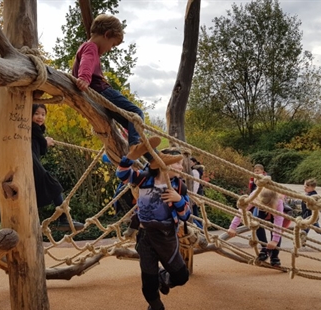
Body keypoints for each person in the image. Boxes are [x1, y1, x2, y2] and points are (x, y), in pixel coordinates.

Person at [72, 13, 182, 169]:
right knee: (136, 114)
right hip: (102, 92)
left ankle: (153, 157)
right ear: (107, 34)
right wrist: (84, 77)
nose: (110, 49)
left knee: (133, 126)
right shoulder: (91, 48)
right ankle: (135, 147)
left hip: (97, 95)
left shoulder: (90, 48)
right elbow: (86, 63)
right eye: (112, 44)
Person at [116, 148, 191, 310]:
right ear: (162, 163)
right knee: (148, 288)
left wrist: (179, 200)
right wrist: (131, 157)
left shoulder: (179, 186)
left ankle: (163, 277)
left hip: (166, 237)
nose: (181, 166)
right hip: (146, 236)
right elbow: (122, 174)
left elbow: (186, 216)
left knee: (181, 276)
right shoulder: (143, 178)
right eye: (177, 162)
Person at [31, 104, 83, 230]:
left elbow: (41, 151)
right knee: (53, 184)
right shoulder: (30, 127)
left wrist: (44, 142)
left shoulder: (37, 130)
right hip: (29, 159)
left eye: (43, 114)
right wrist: (45, 142)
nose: (40, 117)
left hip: (32, 159)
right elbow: (41, 145)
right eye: (36, 113)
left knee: (33, 192)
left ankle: (36, 221)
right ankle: (63, 218)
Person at [228, 189, 284, 267]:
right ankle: (265, 249)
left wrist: (274, 241)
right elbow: (242, 211)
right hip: (260, 205)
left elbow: (278, 223)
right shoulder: (254, 196)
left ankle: (274, 257)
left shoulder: (278, 202)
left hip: (274, 208)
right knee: (256, 223)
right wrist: (232, 227)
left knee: (275, 230)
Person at [189, 157, 204, 228]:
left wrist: (193, 196)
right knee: (194, 214)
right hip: (195, 194)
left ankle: (201, 229)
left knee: (193, 214)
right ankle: (201, 229)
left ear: (194, 162)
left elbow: (196, 184)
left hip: (195, 194)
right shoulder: (192, 171)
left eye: (190, 162)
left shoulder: (195, 171)